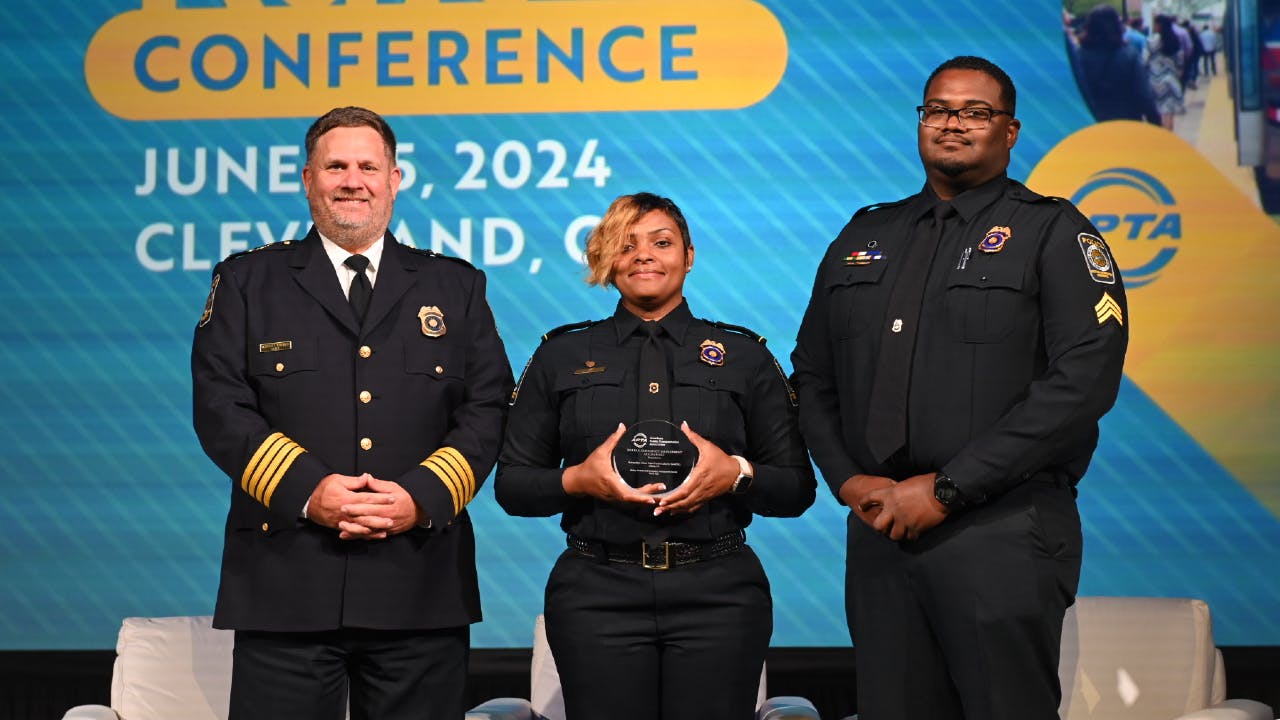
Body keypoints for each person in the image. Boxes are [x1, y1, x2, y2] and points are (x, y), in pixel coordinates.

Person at [790, 56, 1128, 720]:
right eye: (939, 109)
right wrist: (848, 481)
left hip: (1001, 528)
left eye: (976, 112)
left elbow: (1083, 381)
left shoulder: (1052, 231)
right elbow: (811, 373)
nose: (953, 124)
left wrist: (948, 489)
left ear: (1010, 131)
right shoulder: (866, 234)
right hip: (882, 531)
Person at [191, 106, 514, 720]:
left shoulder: (456, 287)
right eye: (336, 165)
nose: (352, 180)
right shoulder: (247, 281)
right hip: (285, 583)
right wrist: (310, 491)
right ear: (308, 178)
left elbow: (488, 407)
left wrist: (420, 496)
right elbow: (220, 405)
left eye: (368, 166)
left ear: (395, 179)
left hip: (419, 583)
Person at [497, 192, 816, 720]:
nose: (644, 255)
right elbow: (512, 487)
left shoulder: (744, 355)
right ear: (605, 257)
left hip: (720, 594)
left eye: (661, 242)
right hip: (596, 594)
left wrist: (735, 474)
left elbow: (796, 488)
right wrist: (577, 481)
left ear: (689, 255)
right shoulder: (561, 354)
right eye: (625, 244)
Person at [1076, 4, 1160, 124]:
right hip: (1126, 123)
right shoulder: (1129, 55)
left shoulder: (1079, 56)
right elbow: (1143, 94)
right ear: (1117, 26)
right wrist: (1155, 121)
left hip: (1091, 124)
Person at [1150, 15, 1188, 129]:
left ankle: (1161, 138)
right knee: (1169, 112)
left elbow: (1144, 60)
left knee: (1159, 112)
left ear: (1158, 25)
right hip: (1171, 80)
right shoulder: (1175, 40)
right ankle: (1169, 136)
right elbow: (1180, 61)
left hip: (1154, 81)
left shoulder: (1151, 41)